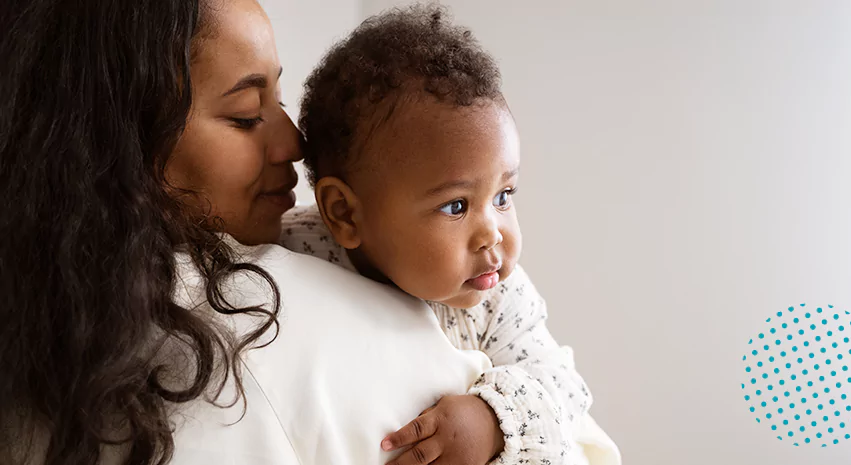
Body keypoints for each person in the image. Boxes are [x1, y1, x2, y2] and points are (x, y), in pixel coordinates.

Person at [0, 0, 492, 464]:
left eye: (278, 100)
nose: (295, 143)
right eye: (246, 116)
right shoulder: (271, 324)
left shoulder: (40, 325)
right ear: (117, 143)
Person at [282, 5, 620, 465]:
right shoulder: (296, 252)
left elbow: (562, 386)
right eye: (456, 205)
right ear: (345, 214)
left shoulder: (500, 297)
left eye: (504, 195)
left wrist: (491, 421)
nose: (492, 234)